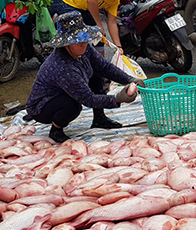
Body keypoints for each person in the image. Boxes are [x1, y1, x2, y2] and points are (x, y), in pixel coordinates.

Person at [26, 11, 145, 143]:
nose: (83, 44)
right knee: (72, 106)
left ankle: (99, 118)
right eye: (77, 42)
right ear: (66, 44)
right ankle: (56, 130)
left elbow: (104, 67)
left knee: (97, 73)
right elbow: (88, 99)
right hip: (42, 106)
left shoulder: (85, 48)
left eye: (84, 40)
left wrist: (129, 79)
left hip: (63, 92)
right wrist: (117, 99)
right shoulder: (62, 66)